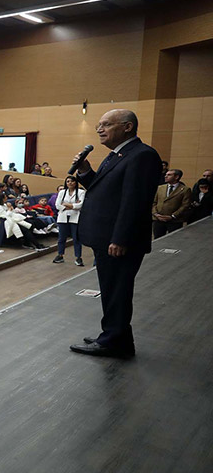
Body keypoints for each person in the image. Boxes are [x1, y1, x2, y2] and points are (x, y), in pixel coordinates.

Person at [69, 109, 161, 358]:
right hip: (106, 237)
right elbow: (104, 191)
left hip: (118, 240)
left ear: (127, 127)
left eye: (106, 125)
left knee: (117, 291)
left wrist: (120, 238)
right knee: (111, 289)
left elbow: (135, 201)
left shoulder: (142, 155)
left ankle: (113, 341)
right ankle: (113, 336)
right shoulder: (117, 155)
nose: (99, 129)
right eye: (99, 125)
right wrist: (86, 171)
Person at [54, 176, 85, 265]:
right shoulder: (62, 192)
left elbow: (80, 205)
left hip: (75, 218)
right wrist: (73, 205)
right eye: (68, 181)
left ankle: (78, 257)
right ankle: (60, 255)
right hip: (63, 217)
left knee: (76, 238)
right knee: (61, 238)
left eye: (72, 181)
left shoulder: (81, 192)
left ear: (75, 182)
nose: (70, 183)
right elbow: (57, 205)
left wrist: (67, 205)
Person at [151, 169, 190, 238]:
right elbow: (154, 202)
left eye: (169, 175)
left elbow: (185, 205)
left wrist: (172, 216)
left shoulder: (185, 189)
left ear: (176, 177)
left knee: (174, 240)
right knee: (158, 239)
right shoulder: (160, 188)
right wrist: (156, 214)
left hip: (175, 220)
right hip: (158, 219)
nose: (165, 176)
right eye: (166, 174)